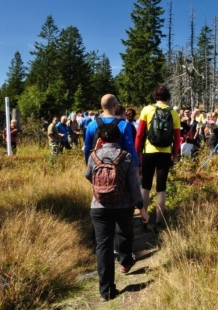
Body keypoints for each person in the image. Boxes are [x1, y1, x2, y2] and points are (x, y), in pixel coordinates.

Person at [85, 123, 149, 301]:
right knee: (125, 233)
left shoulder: (94, 155)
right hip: (123, 207)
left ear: (101, 138)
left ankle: (106, 290)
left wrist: (95, 151)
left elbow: (88, 175)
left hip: (99, 207)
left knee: (103, 247)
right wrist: (142, 210)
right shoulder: (126, 157)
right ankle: (126, 261)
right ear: (118, 138)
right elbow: (134, 187)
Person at [134, 86, 180, 232]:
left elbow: (140, 134)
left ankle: (144, 220)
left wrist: (137, 154)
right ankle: (159, 223)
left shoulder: (147, 110)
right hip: (165, 153)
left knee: (146, 187)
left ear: (155, 96)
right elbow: (177, 139)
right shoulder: (173, 113)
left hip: (149, 151)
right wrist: (174, 156)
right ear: (168, 96)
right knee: (161, 189)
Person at [84, 95, 140, 177]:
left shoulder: (91, 125)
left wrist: (88, 165)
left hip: (98, 167)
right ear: (115, 106)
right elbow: (130, 148)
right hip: (119, 168)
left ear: (102, 106)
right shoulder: (124, 125)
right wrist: (136, 168)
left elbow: (87, 148)